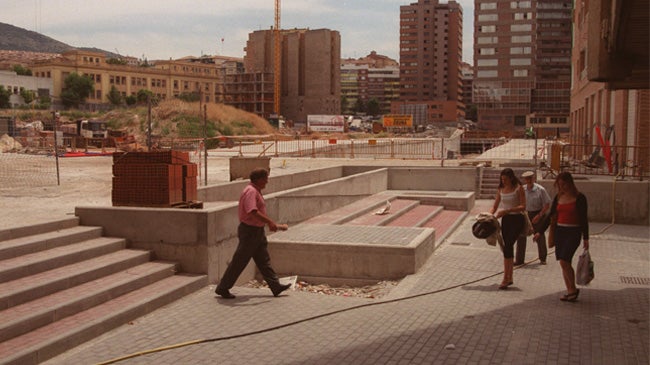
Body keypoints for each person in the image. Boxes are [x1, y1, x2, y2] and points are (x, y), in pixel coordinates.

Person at [215, 168, 291, 299]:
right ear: (259, 179)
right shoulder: (251, 192)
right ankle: (223, 288)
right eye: (265, 178)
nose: (267, 181)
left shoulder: (255, 190)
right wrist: (270, 222)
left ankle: (275, 286)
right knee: (240, 261)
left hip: (257, 231)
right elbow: (252, 211)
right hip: (250, 232)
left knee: (263, 260)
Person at [536, 172, 589, 302]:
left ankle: (573, 290)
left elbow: (584, 219)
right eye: (560, 185)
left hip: (574, 232)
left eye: (564, 184)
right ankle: (570, 289)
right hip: (560, 231)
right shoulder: (558, 197)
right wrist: (540, 231)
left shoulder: (580, 198)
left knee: (565, 260)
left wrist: (586, 238)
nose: (562, 187)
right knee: (563, 262)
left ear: (570, 183)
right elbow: (550, 215)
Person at [489, 168, 526, 290]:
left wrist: (507, 210)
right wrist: (489, 215)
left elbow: (523, 206)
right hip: (506, 220)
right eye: (502, 179)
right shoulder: (500, 189)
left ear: (511, 178)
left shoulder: (518, 188)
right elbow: (495, 206)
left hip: (517, 219)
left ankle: (506, 277)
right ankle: (509, 276)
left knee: (509, 245)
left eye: (505, 179)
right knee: (507, 248)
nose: (503, 181)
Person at [515, 170, 551, 265]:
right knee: (521, 236)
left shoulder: (540, 190)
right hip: (525, 214)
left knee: (539, 235)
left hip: (537, 214)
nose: (529, 180)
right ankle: (519, 259)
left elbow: (547, 204)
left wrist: (539, 215)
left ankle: (543, 258)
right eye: (527, 179)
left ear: (534, 178)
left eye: (530, 178)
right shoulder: (522, 189)